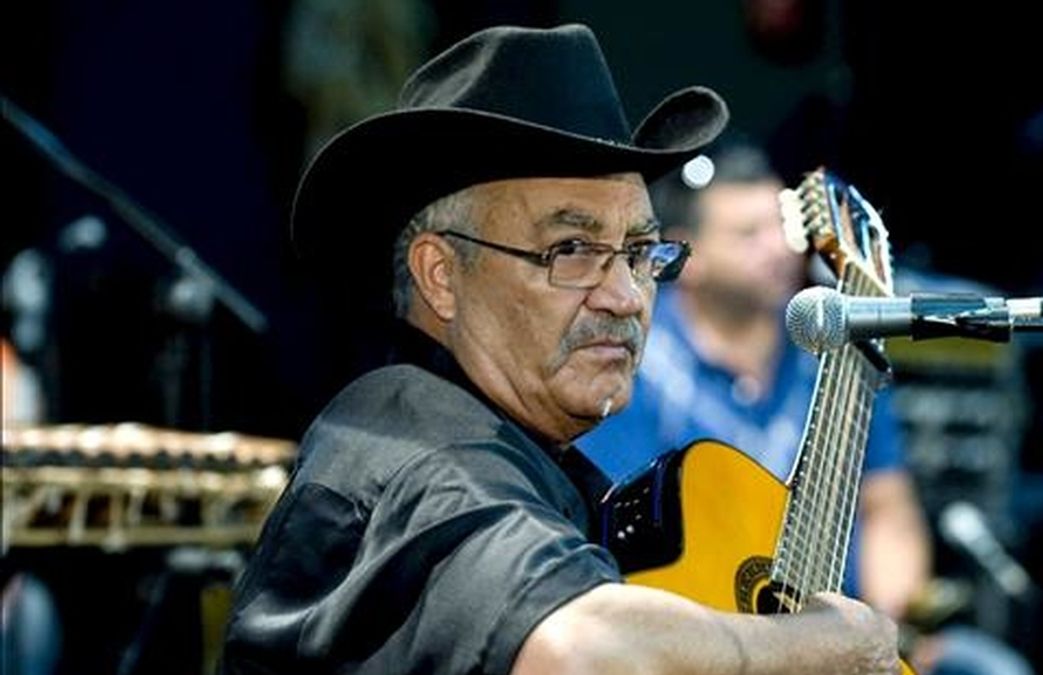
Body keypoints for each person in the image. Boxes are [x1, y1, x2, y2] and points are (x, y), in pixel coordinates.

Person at [220, 24, 900, 674]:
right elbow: (578, 653)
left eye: (638, 253)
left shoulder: (539, 461)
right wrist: (818, 643)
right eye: (570, 249)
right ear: (441, 275)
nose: (626, 297)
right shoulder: (418, 442)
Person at [578, 138, 1032, 675]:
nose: (776, 249)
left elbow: (886, 507)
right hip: (700, 637)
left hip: (838, 630)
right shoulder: (639, 353)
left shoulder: (836, 346)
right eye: (747, 234)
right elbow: (625, 536)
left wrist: (891, 630)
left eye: (779, 229)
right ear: (685, 255)